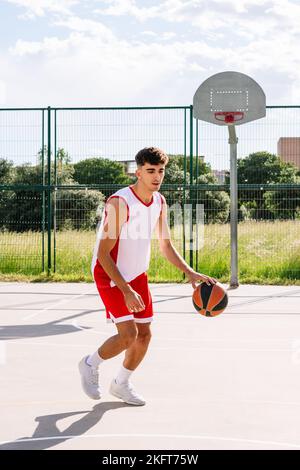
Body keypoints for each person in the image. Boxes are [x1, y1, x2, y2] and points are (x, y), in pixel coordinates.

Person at [79, 147, 217, 406]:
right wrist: (125, 290)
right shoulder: (120, 203)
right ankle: (89, 363)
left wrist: (188, 271)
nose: (156, 176)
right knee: (128, 334)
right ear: (138, 171)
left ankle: (121, 384)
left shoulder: (159, 202)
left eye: (161, 171)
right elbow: (103, 253)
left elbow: (165, 245)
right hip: (110, 274)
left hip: (137, 274)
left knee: (144, 335)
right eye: (150, 171)